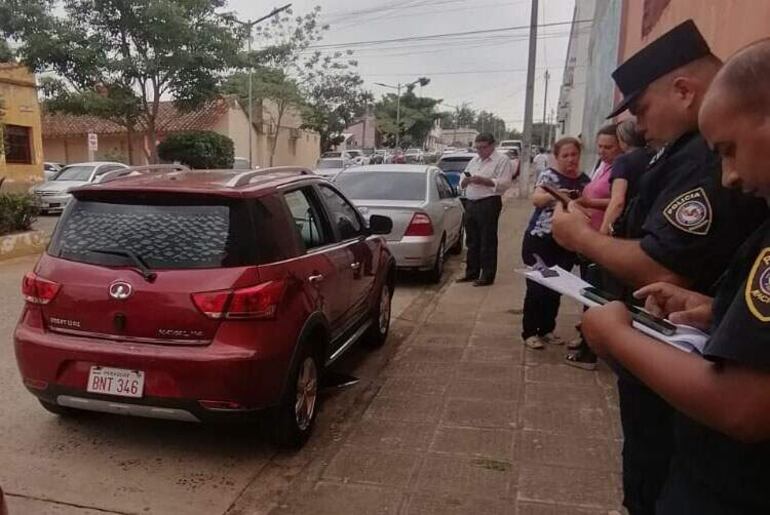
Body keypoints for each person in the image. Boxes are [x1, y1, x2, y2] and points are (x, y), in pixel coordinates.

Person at [551, 20, 768, 515]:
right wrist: (719, 310)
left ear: (684, 90)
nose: (730, 175)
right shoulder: (679, 154)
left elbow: (745, 404)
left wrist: (614, 335)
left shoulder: (699, 161)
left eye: (731, 152)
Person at [521, 137, 590, 349]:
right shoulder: (549, 176)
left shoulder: (585, 180)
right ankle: (530, 332)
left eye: (574, 155)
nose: (571, 159)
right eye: (565, 155)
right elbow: (537, 199)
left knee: (556, 288)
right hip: (540, 241)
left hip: (566, 243)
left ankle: (547, 329)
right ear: (556, 157)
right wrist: (559, 197)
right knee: (538, 287)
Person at [565, 124, 624, 370]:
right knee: (588, 291)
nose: (602, 152)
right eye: (599, 146)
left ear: (621, 146)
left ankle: (590, 350)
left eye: (608, 147)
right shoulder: (603, 166)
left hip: (603, 240)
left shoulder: (622, 168)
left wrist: (590, 202)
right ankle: (586, 338)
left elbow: (619, 201)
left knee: (597, 295)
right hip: (591, 237)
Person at [457, 133, 514, 286]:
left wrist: (485, 181)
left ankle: (487, 275)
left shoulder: (502, 160)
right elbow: (462, 178)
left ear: (492, 145)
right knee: (472, 240)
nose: (480, 151)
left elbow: (505, 183)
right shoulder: (474, 161)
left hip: (488, 202)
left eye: (483, 147)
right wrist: (466, 181)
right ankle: (472, 272)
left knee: (487, 240)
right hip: (471, 202)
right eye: (477, 148)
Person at [600, 119, 653, 235]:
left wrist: (603, 232)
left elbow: (618, 201)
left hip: (629, 223)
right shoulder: (655, 156)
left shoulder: (623, 161)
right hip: (651, 222)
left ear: (623, 139)